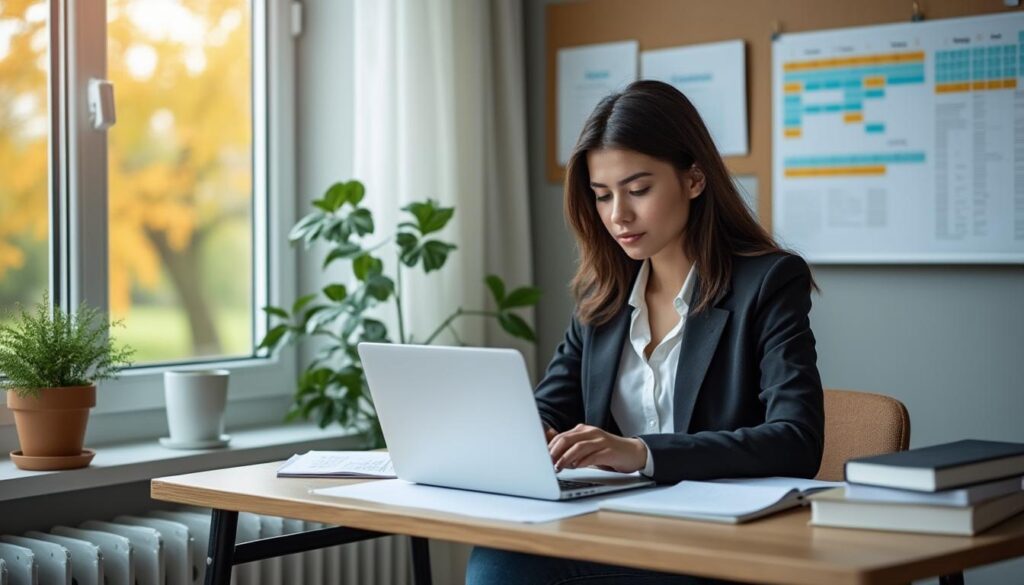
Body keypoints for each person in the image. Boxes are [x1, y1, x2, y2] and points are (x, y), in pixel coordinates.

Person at [465, 79, 825, 585]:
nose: (618, 216)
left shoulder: (767, 283)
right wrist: (529, 436)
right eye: (602, 195)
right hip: (614, 527)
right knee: (498, 562)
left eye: (638, 190)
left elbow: (796, 440)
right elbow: (550, 409)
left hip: (720, 539)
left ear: (694, 179)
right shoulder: (603, 298)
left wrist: (642, 452)